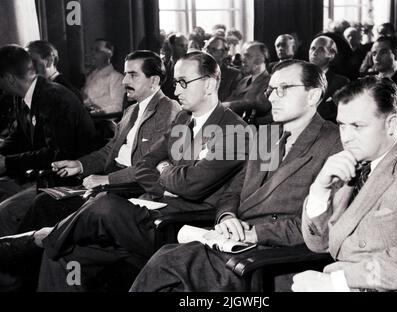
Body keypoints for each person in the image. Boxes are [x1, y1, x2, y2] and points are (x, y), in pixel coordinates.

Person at [35, 51, 249, 291]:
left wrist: (165, 170)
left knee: (104, 204)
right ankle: (50, 241)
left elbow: (191, 185)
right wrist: (167, 181)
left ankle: (42, 239)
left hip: (180, 225)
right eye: (175, 83)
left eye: (183, 83)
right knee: (62, 258)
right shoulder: (183, 120)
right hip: (150, 211)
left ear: (209, 84)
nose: (176, 91)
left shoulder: (234, 130)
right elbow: (146, 163)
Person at [129, 60, 342, 292]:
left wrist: (255, 233)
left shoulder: (334, 144)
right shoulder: (268, 136)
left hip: (274, 260)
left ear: (313, 96)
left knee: (166, 266)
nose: (271, 98)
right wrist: (227, 217)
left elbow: (321, 226)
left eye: (283, 89)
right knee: (166, 263)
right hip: (235, 242)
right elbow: (235, 190)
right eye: (270, 90)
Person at [292, 76, 397, 292]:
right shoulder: (352, 161)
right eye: (342, 125)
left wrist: (336, 283)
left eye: (357, 126)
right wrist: (319, 190)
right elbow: (319, 243)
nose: (346, 138)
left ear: (391, 123)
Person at [0, 50, 180, 238]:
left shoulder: (168, 110)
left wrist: (107, 180)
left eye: (133, 75)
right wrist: (80, 165)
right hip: (107, 184)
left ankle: (18, 254)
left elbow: (148, 166)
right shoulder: (132, 110)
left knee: (46, 208)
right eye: (125, 74)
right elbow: (110, 150)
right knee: (45, 201)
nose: (125, 81)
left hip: (129, 190)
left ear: (154, 81)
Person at [0, 45, 96, 203]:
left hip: (71, 186)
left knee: (5, 216)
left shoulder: (54, 99)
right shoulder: (22, 95)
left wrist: (7, 164)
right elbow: (19, 137)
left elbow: (56, 154)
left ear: (9, 78)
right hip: (46, 180)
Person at [223, 41, 271, 125]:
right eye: (243, 56)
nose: (243, 60)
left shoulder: (271, 81)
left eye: (247, 56)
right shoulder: (243, 81)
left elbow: (259, 103)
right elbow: (230, 100)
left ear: (261, 59)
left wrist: (228, 105)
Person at [309, 36, 349, 123]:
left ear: (331, 55)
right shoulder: (299, 77)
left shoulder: (341, 83)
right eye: (312, 48)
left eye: (321, 50)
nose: (314, 53)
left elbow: (336, 115)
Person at [82, 39, 125, 115]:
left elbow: (118, 108)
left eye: (97, 50)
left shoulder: (117, 78)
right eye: (92, 50)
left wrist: (93, 114)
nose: (92, 54)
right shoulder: (90, 76)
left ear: (109, 54)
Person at [204, 36, 242, 101]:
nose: (208, 52)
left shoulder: (234, 75)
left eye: (213, 50)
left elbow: (233, 103)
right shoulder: (198, 72)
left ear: (224, 53)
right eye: (207, 48)